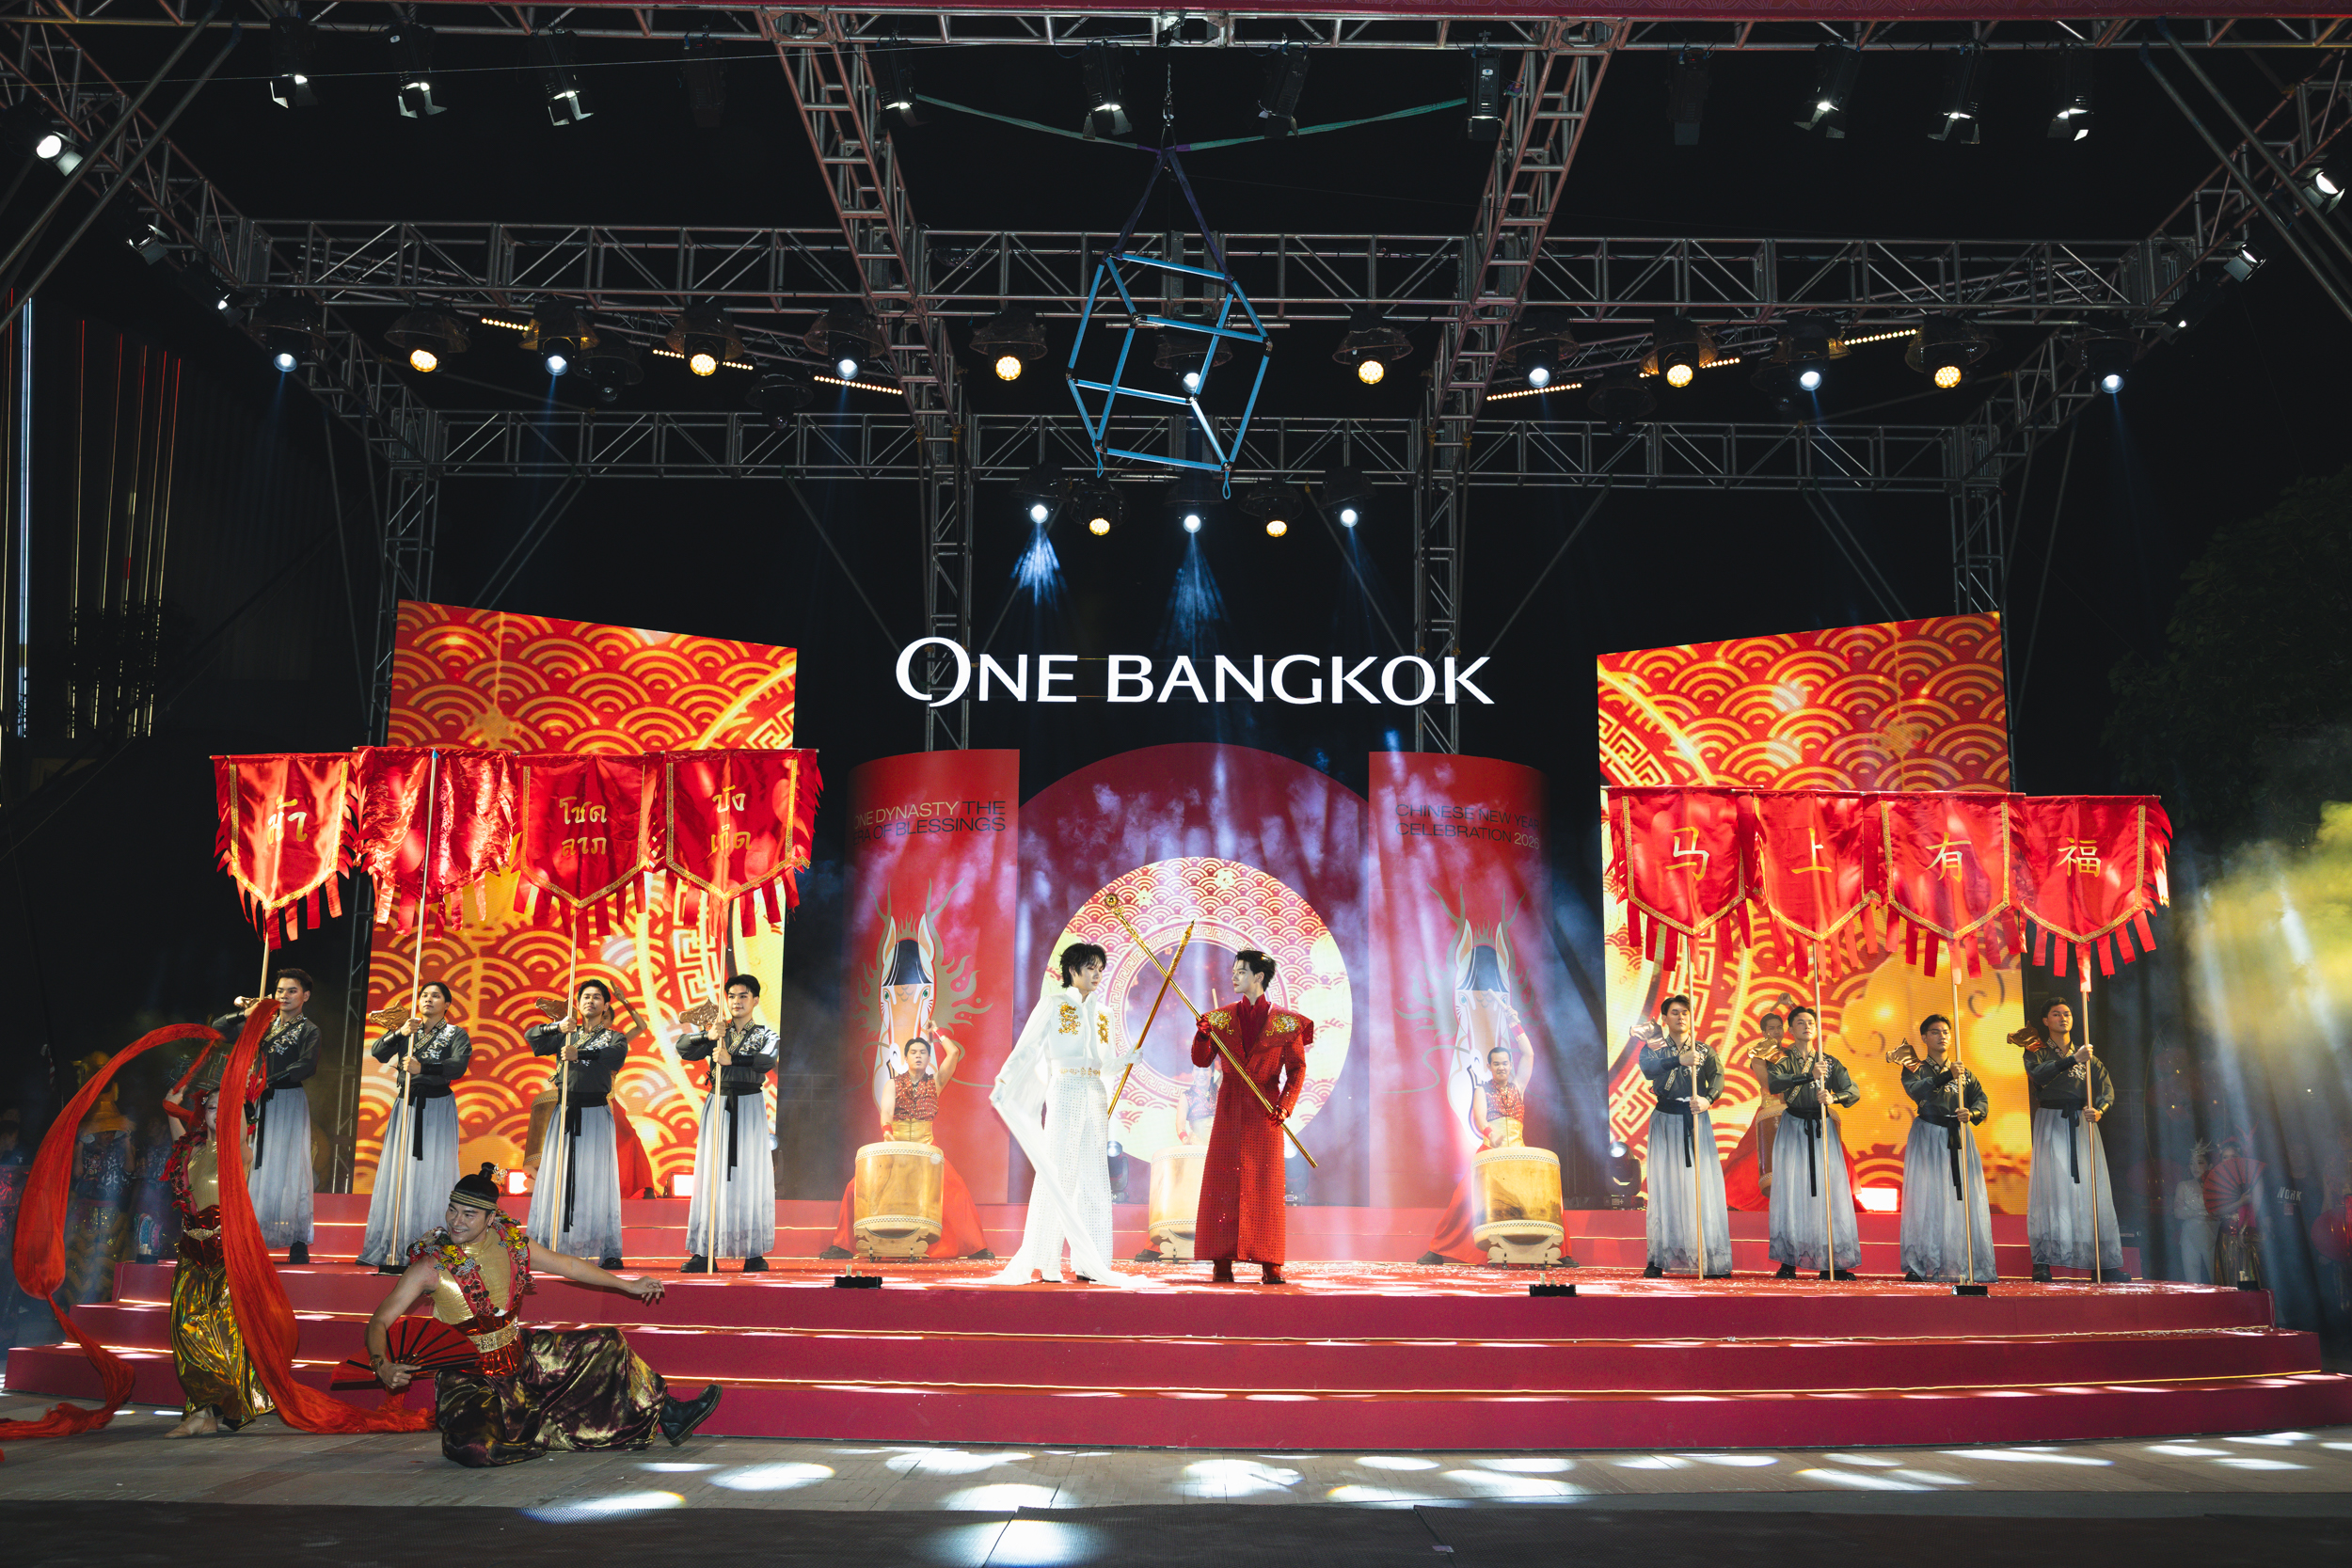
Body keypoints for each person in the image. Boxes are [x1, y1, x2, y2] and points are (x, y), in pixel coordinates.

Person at [366, 1164, 722, 1467]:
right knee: (474, 1450)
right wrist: (382, 1365)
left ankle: (670, 1413)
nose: (456, 1222)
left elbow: (569, 1266)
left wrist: (627, 1285)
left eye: (468, 1214)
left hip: (522, 1357)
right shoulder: (430, 1266)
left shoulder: (512, 1245)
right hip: (467, 1377)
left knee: (607, 1342)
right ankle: (525, 1431)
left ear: (491, 1218)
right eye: (452, 1210)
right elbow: (380, 1320)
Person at [823, 935, 993, 1259]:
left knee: (955, 1188)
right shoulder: (893, 1083)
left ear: (928, 1058)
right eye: (913, 1052)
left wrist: (936, 1030)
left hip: (928, 1148)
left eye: (923, 1053)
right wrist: (889, 1137)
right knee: (855, 1187)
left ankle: (976, 1248)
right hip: (895, 1145)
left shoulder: (935, 1082)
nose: (918, 1056)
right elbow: (885, 1115)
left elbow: (954, 1053)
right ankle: (841, 1245)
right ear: (906, 1057)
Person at [990, 942, 1137, 1286]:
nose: (1097, 975)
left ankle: (1092, 1263)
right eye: (1091, 968)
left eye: (1100, 969)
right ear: (1073, 970)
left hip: (1094, 1092)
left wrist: (1126, 1060)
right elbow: (1026, 1046)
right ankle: (1047, 1259)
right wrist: (1004, 1079)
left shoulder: (1104, 1013)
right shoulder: (1054, 1004)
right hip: (1066, 1089)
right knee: (1059, 1174)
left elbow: (1104, 1064)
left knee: (1095, 1178)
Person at [159, 1076, 270, 1437]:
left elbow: (237, 1133)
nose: (217, 1114)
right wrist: (170, 1107)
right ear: (202, 1113)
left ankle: (210, 1411)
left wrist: (235, 1097)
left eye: (227, 1108)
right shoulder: (190, 1151)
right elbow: (177, 1137)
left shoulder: (240, 1152)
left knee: (220, 1335)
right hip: (191, 1252)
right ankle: (202, 1413)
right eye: (211, 1107)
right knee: (185, 1329)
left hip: (226, 1255)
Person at [1192, 950, 1311, 1286]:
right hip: (1230, 1105)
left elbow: (1297, 1069)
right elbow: (1201, 1061)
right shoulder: (1220, 1018)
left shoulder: (1286, 1022)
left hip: (1265, 1109)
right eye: (1233, 971)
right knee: (1222, 1182)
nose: (1234, 976)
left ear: (1259, 977)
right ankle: (1221, 1260)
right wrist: (1203, 1036)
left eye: (1241, 971)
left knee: (1266, 1184)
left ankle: (1270, 1262)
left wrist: (1285, 1105)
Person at [357, 981, 471, 1274]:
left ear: (447, 1004)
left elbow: (458, 1066)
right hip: (406, 1105)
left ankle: (433, 1248)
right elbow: (379, 1052)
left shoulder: (456, 1033)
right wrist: (400, 1032)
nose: (428, 999)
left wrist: (425, 1068)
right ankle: (393, 1246)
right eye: (424, 995)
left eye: (436, 996)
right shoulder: (409, 1029)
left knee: (434, 1173)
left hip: (437, 1107)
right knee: (401, 1172)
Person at [211, 970, 321, 1263]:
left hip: (287, 1100)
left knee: (291, 1166)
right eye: (280, 990)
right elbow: (218, 1030)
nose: (284, 996)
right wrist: (244, 1014)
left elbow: (307, 1065)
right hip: (255, 1102)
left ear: (305, 996)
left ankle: (297, 1239)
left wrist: (267, 1080)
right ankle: (248, 1235)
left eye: (292, 991)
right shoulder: (262, 1024)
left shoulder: (309, 1029)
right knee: (252, 1164)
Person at [675, 974, 779, 1273]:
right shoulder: (718, 1031)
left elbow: (767, 1060)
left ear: (755, 1000)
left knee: (751, 1176)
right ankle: (704, 1251)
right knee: (711, 1175)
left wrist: (732, 1061)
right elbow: (684, 1048)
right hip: (718, 1103)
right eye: (731, 996)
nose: (736, 1001)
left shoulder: (767, 1034)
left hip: (750, 1105)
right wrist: (707, 1036)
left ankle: (753, 1253)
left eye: (743, 996)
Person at [526, 980, 630, 1270]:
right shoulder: (566, 1033)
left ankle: (605, 1248)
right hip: (565, 1112)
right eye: (585, 996)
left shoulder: (614, 1037)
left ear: (606, 1005)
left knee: (596, 1179)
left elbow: (616, 1056)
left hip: (596, 1111)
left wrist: (581, 1054)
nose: (590, 1001)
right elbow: (532, 1038)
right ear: (578, 1003)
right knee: (559, 1176)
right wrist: (556, 1027)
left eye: (597, 997)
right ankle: (549, 1246)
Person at [2021, 998, 2127, 1282]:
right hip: (2051, 1120)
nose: (2063, 1018)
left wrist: (2100, 1110)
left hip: (2082, 1123)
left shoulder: (2087, 1055)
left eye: (2067, 1013)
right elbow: (2037, 1074)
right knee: (2050, 1188)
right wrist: (2072, 1060)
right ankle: (2043, 1261)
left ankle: (2103, 1262)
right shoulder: (2036, 1050)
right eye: (2056, 1014)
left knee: (2091, 1189)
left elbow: (2107, 1090)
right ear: (2046, 1021)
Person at [1639, 994, 1733, 1279]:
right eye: (1675, 1012)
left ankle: (1709, 1257)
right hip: (1665, 1118)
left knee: (1701, 1186)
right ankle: (1658, 1258)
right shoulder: (1654, 1047)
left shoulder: (1704, 1050)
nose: (1681, 1017)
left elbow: (1718, 1077)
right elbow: (1648, 1070)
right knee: (1665, 1186)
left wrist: (1708, 1099)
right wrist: (1678, 1060)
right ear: (1664, 1018)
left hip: (1695, 1118)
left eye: (1685, 1013)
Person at [1765, 1006, 1861, 1280]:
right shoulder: (1783, 1058)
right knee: (1791, 1190)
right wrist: (1809, 1076)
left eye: (1810, 1022)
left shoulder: (1829, 1061)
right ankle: (1788, 1261)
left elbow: (1852, 1090)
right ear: (1791, 1029)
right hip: (1794, 1126)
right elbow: (1774, 1083)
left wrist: (1834, 1098)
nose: (1806, 1026)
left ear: (1816, 1028)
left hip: (1822, 1127)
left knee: (1830, 1192)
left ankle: (1834, 1261)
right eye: (1800, 1022)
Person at [1899, 1014, 1995, 1284]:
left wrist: (1972, 1112)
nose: (1942, 1036)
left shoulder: (1964, 1071)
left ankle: (1964, 1261)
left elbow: (1981, 1099)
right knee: (1926, 1197)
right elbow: (1917, 1091)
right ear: (1924, 1037)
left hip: (1959, 1136)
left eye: (1945, 1031)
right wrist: (1945, 1076)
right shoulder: (1915, 1068)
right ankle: (1921, 1264)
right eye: (1935, 1032)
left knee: (1961, 1198)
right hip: (1928, 1135)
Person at [2173, 1141, 2217, 1284]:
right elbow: (2177, 1213)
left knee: (2217, 1277)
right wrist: (2201, 1213)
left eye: (2200, 1162)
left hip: (2212, 1234)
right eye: (2192, 1163)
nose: (2195, 1167)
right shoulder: (2183, 1186)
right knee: (2192, 1280)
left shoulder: (2217, 1187)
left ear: (2209, 1165)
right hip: (2190, 1236)